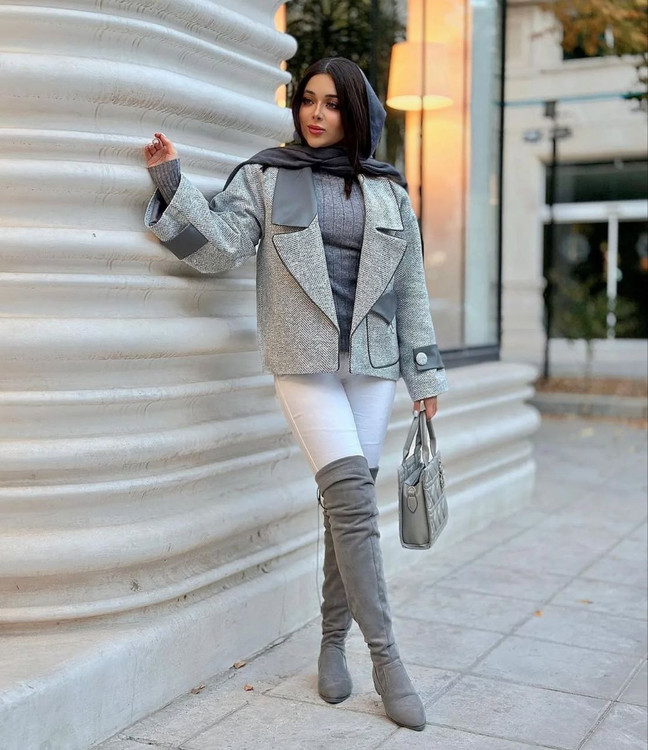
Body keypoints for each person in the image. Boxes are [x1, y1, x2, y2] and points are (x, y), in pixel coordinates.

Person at [143, 56, 448, 732]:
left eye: (332, 104)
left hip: (372, 366)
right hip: (303, 363)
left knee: (347, 512)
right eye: (308, 99)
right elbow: (220, 249)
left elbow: (411, 289)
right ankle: (388, 661)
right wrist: (171, 184)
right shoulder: (268, 175)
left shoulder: (388, 190)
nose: (315, 114)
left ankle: (331, 643)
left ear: (356, 112)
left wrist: (423, 376)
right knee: (353, 504)